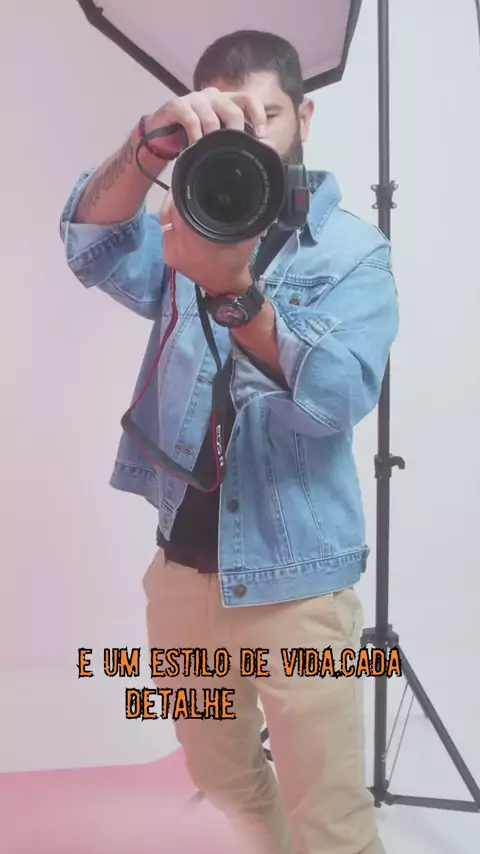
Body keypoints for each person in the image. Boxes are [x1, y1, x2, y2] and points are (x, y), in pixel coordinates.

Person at [60, 29, 398, 854]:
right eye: (227, 117)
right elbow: (89, 243)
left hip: (300, 588)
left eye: (268, 115)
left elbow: (337, 399)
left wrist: (236, 294)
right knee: (219, 778)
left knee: (331, 817)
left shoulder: (353, 251)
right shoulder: (184, 221)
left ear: (304, 118)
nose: (249, 135)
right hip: (182, 575)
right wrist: (149, 145)